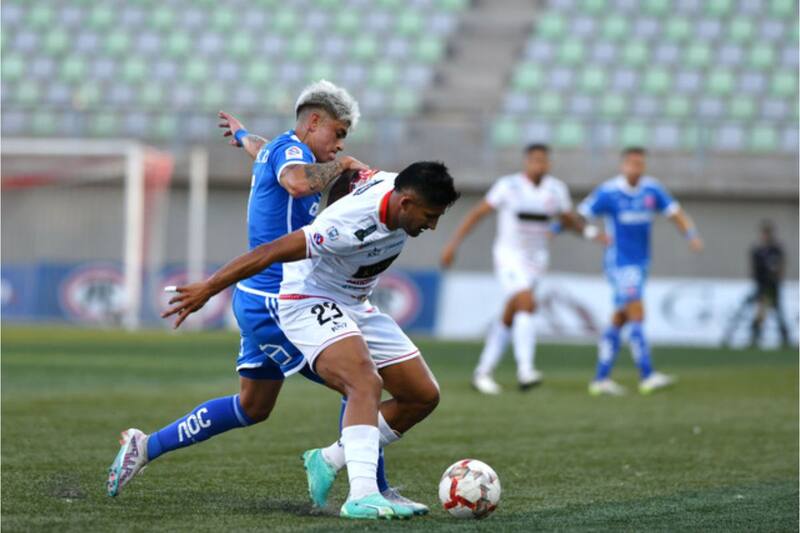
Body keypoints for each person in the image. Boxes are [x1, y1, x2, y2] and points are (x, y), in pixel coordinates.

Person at [107, 81, 419, 511]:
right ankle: (372, 490)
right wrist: (343, 164)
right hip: (280, 300)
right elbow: (294, 183)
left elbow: (260, 147)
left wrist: (240, 136)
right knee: (359, 382)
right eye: (338, 132)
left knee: (253, 407)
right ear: (313, 122)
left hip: (261, 297)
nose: (340, 144)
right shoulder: (295, 156)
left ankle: (146, 446)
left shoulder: (279, 148)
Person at [162, 162, 460, 519]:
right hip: (308, 299)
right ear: (406, 202)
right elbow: (270, 252)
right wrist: (209, 288)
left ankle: (329, 458)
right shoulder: (344, 227)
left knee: (422, 395)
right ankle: (362, 495)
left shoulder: (387, 182)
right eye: (429, 216)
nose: (432, 225)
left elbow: (354, 173)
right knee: (364, 381)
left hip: (354, 301)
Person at [440, 144, 605, 394]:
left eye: (544, 161)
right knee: (527, 303)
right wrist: (453, 245)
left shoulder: (556, 190)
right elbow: (477, 213)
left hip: (536, 261)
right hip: (509, 257)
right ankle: (525, 370)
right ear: (526, 162)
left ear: (549, 164)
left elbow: (567, 218)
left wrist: (591, 233)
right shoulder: (508, 187)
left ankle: (483, 372)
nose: (539, 165)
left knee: (511, 312)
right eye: (535, 160)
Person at [577, 147, 704, 396]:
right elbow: (578, 216)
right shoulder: (609, 192)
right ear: (623, 165)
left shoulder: (652, 189)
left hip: (641, 263)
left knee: (620, 318)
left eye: (641, 164)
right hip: (618, 262)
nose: (637, 168)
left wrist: (691, 234)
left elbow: (675, 213)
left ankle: (601, 378)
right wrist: (593, 234)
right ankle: (647, 375)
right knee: (636, 311)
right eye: (632, 163)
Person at [748, 220, 790, 347]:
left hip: (773, 285)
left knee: (778, 312)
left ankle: (785, 338)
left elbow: (781, 266)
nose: (764, 236)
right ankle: (755, 337)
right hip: (762, 285)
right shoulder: (757, 251)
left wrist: (778, 278)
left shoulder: (776, 250)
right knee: (760, 312)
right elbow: (754, 269)